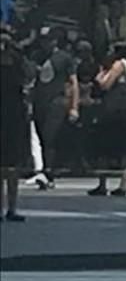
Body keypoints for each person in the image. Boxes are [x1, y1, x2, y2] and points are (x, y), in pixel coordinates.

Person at [30, 26, 78, 190]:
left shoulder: (64, 58)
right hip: (39, 102)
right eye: (43, 40)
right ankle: (44, 170)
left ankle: (48, 172)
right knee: (42, 138)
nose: (45, 43)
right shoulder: (36, 56)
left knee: (50, 137)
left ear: (54, 41)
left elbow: (73, 82)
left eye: (48, 40)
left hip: (57, 101)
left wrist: (74, 106)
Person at [87, 46, 126, 197]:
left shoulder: (119, 65)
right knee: (123, 149)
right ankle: (121, 184)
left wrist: (102, 72)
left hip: (116, 113)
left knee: (107, 147)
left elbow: (104, 84)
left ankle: (105, 184)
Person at [0, 25, 30, 221]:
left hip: (14, 116)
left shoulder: (18, 62)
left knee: (13, 165)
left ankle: (12, 207)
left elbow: (29, 76)